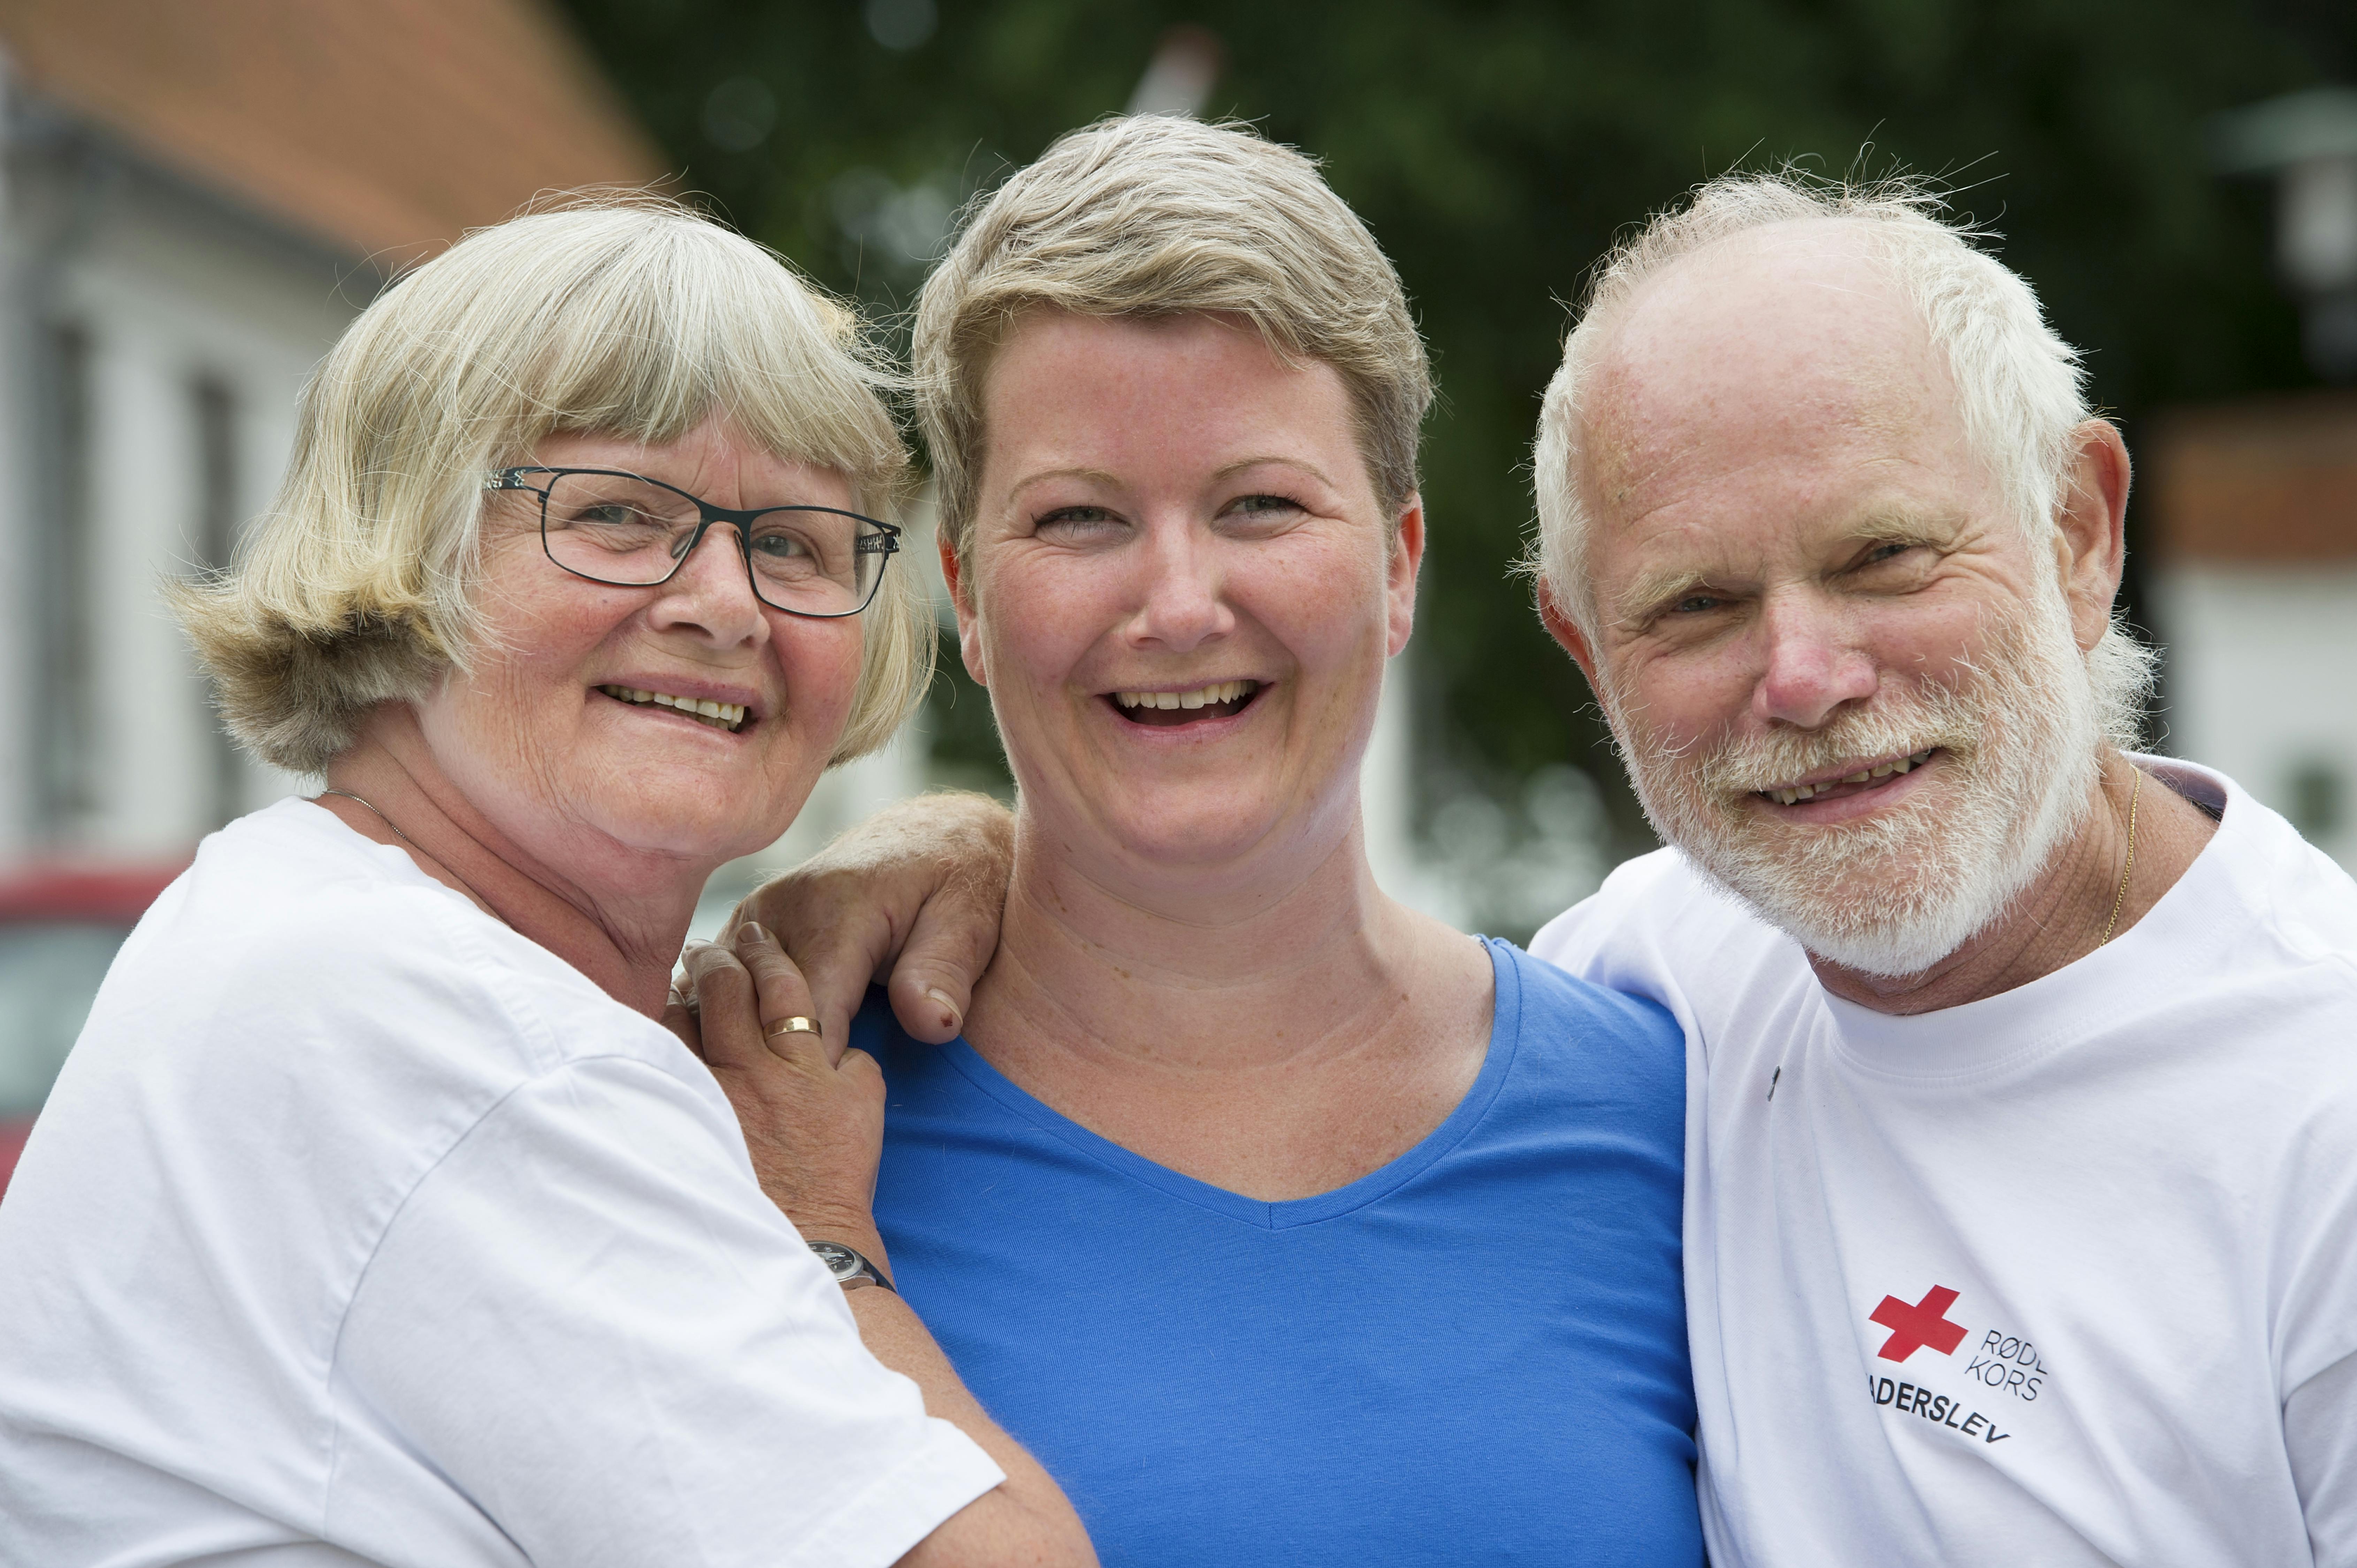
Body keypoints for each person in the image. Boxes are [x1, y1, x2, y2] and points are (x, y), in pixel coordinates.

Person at [753, 174, 2357, 1566]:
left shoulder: (2315, 1110)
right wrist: (929, 850)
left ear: (2077, 531)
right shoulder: (1674, 987)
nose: (1800, 676)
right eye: (1695, 607)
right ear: (1582, 649)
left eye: (1883, 557)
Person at [0, 198, 1092, 1568]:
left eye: (796, 543)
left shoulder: (295, 912)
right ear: (405, 548)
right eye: (621, 516)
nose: (726, 602)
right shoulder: (469, 1040)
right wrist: (823, 1241)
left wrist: (973, 841)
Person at [707, 116, 1703, 1567]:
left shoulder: (1676, 1127)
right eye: (1079, 518)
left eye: (1258, 505)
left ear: (1399, 567)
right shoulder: (760, 1126)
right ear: (964, 598)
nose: (1176, 604)